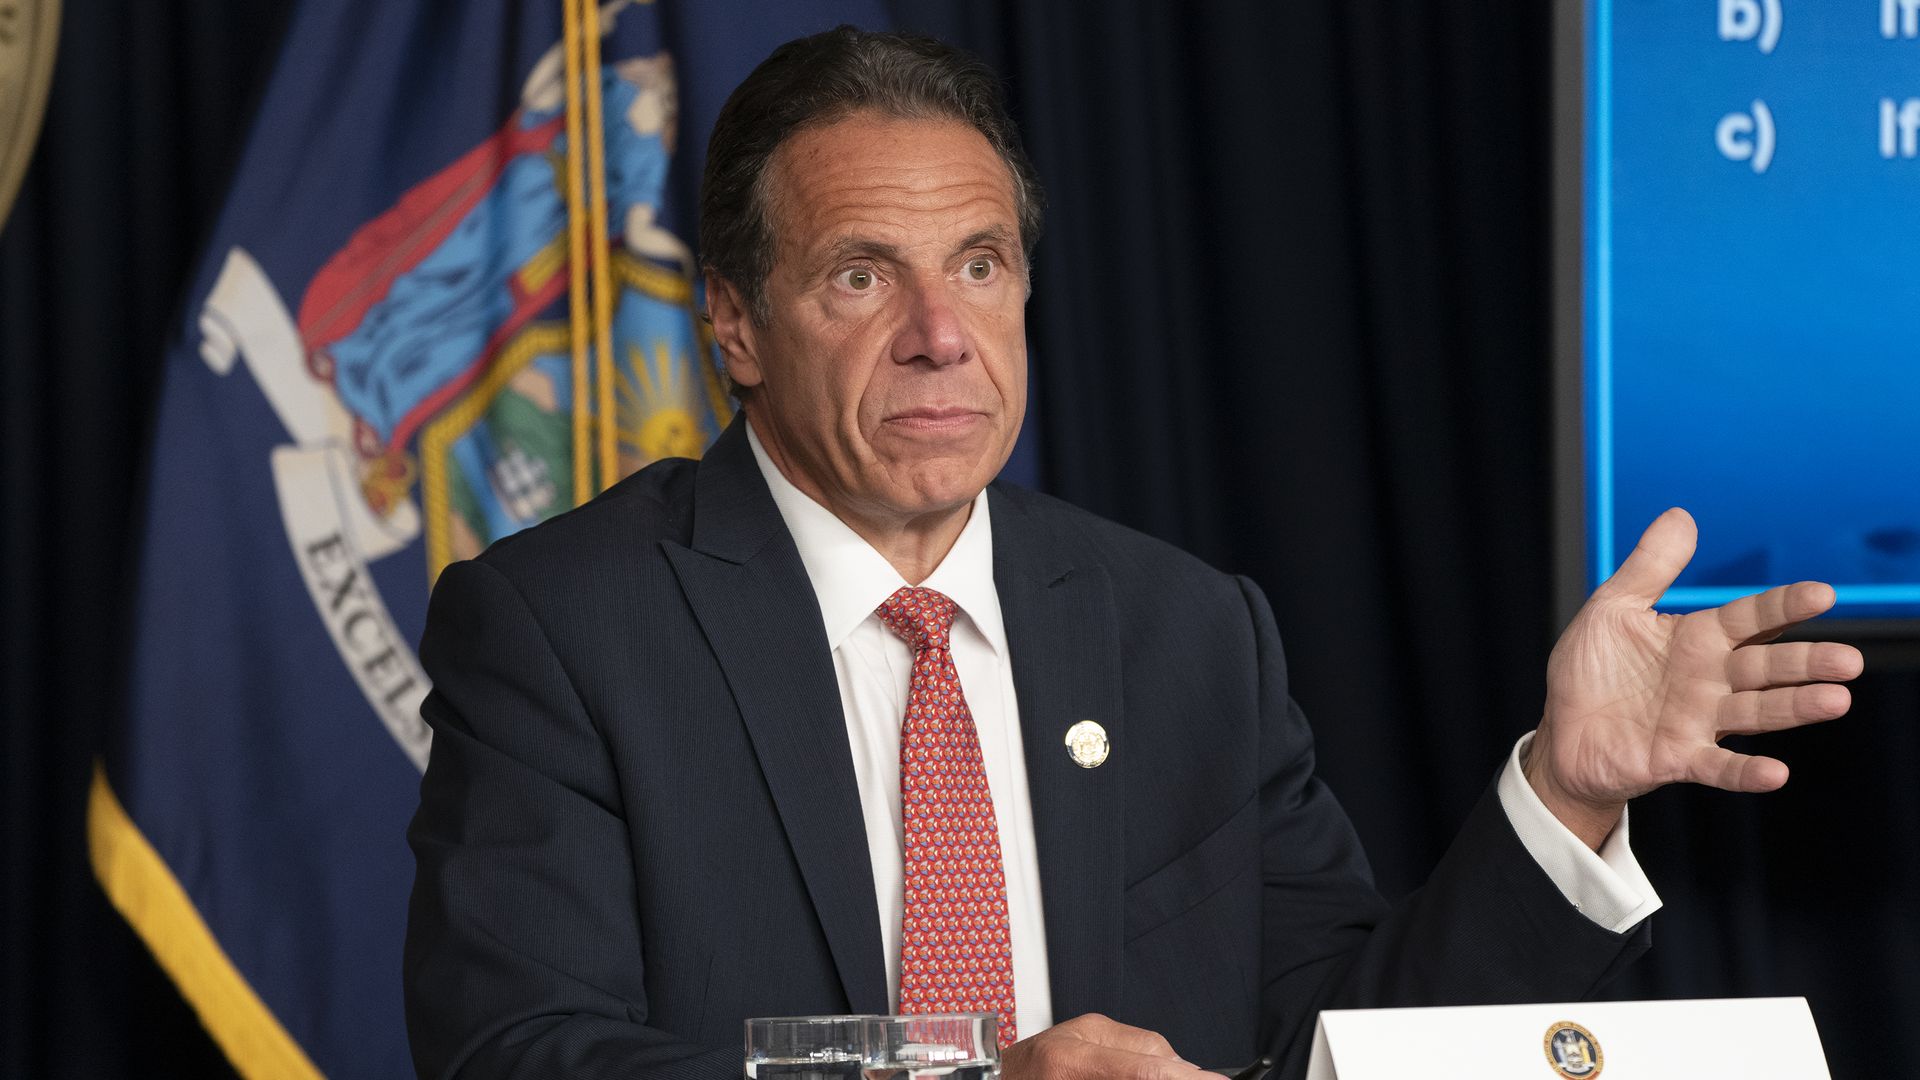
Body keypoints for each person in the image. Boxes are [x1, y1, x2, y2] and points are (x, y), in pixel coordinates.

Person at [402, 27, 1862, 1080]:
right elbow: (518, 1048)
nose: (940, 335)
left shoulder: (1186, 631)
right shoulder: (562, 627)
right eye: (861, 275)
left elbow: (1337, 1040)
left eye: (980, 266)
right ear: (733, 322)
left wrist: (1566, 796)